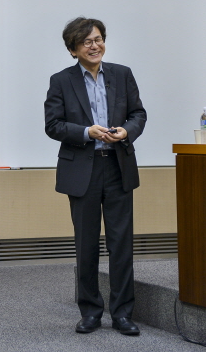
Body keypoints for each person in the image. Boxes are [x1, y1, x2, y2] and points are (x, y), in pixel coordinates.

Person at [44, 17, 146, 336]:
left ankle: (122, 314)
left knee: (121, 245)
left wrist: (125, 131)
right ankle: (90, 312)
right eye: (87, 41)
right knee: (86, 245)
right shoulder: (61, 81)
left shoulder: (122, 74)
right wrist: (86, 132)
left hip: (117, 167)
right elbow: (53, 125)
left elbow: (138, 114)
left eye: (99, 39)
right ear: (73, 49)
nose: (95, 46)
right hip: (82, 171)